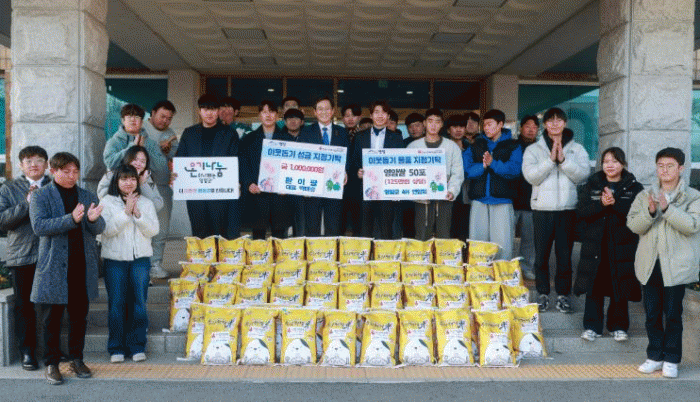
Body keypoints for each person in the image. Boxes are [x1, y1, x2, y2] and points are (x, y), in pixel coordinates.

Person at [29, 152, 105, 385]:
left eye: (75, 171)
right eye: (66, 171)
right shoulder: (40, 195)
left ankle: (77, 359)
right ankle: (51, 363)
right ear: (53, 171)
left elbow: (99, 227)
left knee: (79, 317)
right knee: (51, 319)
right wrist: (70, 219)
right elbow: (39, 227)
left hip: (81, 265)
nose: (72, 176)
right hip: (54, 267)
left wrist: (93, 220)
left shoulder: (86, 195)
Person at [628, 147, 700, 379]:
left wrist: (667, 209)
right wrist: (650, 212)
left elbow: (692, 225)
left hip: (676, 266)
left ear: (681, 168)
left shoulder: (693, 196)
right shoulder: (645, 195)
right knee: (651, 314)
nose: (665, 170)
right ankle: (654, 356)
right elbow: (633, 225)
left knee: (673, 314)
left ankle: (671, 359)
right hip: (650, 264)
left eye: (670, 166)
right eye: (660, 166)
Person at [522, 107, 589, 314]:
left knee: (564, 256)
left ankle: (563, 295)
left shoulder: (577, 149)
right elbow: (531, 177)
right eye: (550, 120)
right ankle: (542, 293)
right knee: (541, 256)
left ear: (565, 123)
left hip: (567, 209)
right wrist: (550, 161)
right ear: (545, 124)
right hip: (542, 209)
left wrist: (564, 161)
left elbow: (583, 175)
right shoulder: (534, 150)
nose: (554, 123)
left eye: (559, 120)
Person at [575, 147, 642, 343]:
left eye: (614, 161)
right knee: (594, 286)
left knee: (619, 285)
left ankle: (618, 326)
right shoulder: (592, 184)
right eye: (606, 162)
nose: (610, 165)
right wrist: (601, 204)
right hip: (595, 245)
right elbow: (582, 212)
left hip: (622, 246)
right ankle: (591, 327)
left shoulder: (634, 187)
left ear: (623, 164)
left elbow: (638, 216)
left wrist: (615, 204)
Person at [100, 164, 159, 363]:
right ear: (116, 181)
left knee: (139, 303)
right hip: (115, 261)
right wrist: (125, 213)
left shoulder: (146, 203)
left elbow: (154, 231)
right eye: (124, 179)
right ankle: (116, 348)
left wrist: (138, 215)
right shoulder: (107, 202)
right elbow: (106, 231)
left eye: (132, 178)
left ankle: (137, 346)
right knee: (116, 303)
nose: (129, 182)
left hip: (140, 260)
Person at [0, 146, 50, 371]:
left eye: (39, 160)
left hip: (50, 254)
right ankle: (27, 352)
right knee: (24, 306)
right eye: (28, 161)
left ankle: (51, 351)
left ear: (46, 164)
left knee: (52, 304)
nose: (34, 164)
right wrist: (26, 204)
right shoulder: (9, 188)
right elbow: (2, 221)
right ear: (21, 165)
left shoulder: (54, 186)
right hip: (21, 254)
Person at [175, 93, 241, 239]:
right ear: (199, 111)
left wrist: (237, 182)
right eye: (205, 109)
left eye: (213, 109)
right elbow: (180, 159)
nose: (209, 113)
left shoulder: (229, 133)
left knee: (220, 233)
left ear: (218, 111)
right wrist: (176, 176)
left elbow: (236, 160)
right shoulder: (189, 133)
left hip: (220, 193)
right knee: (199, 232)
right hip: (195, 193)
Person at [463, 109, 522, 260]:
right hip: (479, 199)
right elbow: (467, 170)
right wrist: (483, 166)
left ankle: (502, 272)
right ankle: (478, 272)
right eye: (484, 125)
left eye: (490, 124)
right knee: (477, 242)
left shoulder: (513, 145)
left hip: (502, 200)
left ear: (500, 124)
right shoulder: (476, 144)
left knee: (503, 243)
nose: (486, 128)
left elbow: (514, 170)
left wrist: (493, 163)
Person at [351, 100, 405, 239]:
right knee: (365, 231)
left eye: (384, 112)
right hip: (365, 191)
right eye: (376, 112)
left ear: (388, 116)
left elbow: (401, 165)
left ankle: (385, 252)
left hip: (387, 192)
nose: (380, 115)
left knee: (386, 230)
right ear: (371, 115)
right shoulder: (360, 136)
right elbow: (354, 161)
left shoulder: (396, 138)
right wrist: (357, 172)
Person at [407, 109, 464, 240]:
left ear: (442, 124)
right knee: (422, 235)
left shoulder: (451, 146)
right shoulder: (413, 146)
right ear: (424, 123)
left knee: (443, 234)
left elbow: (458, 172)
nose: (433, 125)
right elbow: (407, 173)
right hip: (421, 199)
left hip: (444, 198)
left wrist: (452, 191)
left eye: (437, 122)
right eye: (430, 121)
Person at [298, 96, 350, 236]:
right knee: (312, 226)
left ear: (333, 111)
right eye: (320, 109)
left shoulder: (342, 132)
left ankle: (331, 250)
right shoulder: (306, 132)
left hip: (334, 185)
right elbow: (300, 159)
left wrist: (345, 171)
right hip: (312, 186)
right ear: (315, 112)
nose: (324, 112)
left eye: (327, 109)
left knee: (333, 226)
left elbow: (348, 156)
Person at [239, 100, 288, 239]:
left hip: (280, 196)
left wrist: (286, 185)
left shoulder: (287, 139)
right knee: (258, 237)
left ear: (277, 115)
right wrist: (249, 184)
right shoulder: (248, 139)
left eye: (271, 111)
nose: (268, 115)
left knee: (279, 237)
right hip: (257, 194)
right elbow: (243, 165)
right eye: (264, 112)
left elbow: (292, 166)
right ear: (259, 115)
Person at [142, 100, 177, 279]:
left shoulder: (171, 134)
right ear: (153, 113)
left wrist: (168, 151)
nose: (165, 121)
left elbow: (176, 158)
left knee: (161, 228)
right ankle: (140, 265)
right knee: (141, 227)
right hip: (140, 185)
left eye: (169, 118)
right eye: (162, 116)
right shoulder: (141, 128)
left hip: (162, 186)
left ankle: (155, 264)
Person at [103, 104, 168, 192]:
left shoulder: (151, 143)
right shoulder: (114, 141)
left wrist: (144, 151)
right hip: (118, 189)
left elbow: (161, 167)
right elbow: (110, 163)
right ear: (123, 120)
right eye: (129, 116)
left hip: (146, 188)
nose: (133, 120)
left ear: (141, 122)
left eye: (137, 117)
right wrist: (131, 148)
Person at [97, 146, 163, 213]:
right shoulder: (112, 174)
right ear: (127, 159)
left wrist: (142, 184)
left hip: (140, 218)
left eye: (143, 161)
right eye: (135, 160)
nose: (138, 164)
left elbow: (157, 206)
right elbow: (102, 195)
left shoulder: (147, 179)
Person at [514, 115, 539, 280]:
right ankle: (506, 267)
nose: (531, 130)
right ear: (521, 128)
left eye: (534, 127)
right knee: (506, 238)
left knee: (529, 239)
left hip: (532, 200)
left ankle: (527, 267)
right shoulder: (512, 146)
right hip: (511, 199)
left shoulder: (541, 148)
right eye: (528, 126)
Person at [279, 108, 306, 236]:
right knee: (282, 226)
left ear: (302, 121)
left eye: (296, 118)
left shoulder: (308, 138)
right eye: (289, 118)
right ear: (284, 121)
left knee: (302, 226)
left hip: (303, 190)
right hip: (283, 190)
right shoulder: (278, 138)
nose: (293, 121)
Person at [446, 114, 471, 240]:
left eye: (461, 126)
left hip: (466, 194)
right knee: (448, 230)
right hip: (447, 195)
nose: (458, 130)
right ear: (448, 130)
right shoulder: (443, 147)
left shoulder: (471, 148)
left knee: (464, 231)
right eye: (454, 126)